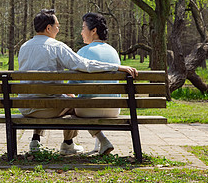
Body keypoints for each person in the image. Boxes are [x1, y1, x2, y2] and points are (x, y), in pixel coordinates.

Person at [18, 9, 138, 155]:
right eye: (57, 25)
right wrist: (116, 67)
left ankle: (35, 140)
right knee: (74, 102)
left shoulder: (24, 47)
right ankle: (70, 143)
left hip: (24, 107)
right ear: (48, 28)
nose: (59, 28)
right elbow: (84, 64)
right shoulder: (57, 47)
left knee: (45, 95)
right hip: (48, 109)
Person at [74, 12, 122, 156]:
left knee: (71, 104)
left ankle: (68, 143)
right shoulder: (114, 52)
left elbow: (72, 84)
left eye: (83, 28)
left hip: (88, 110)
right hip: (114, 109)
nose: (81, 32)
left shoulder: (83, 52)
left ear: (93, 30)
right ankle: (100, 143)